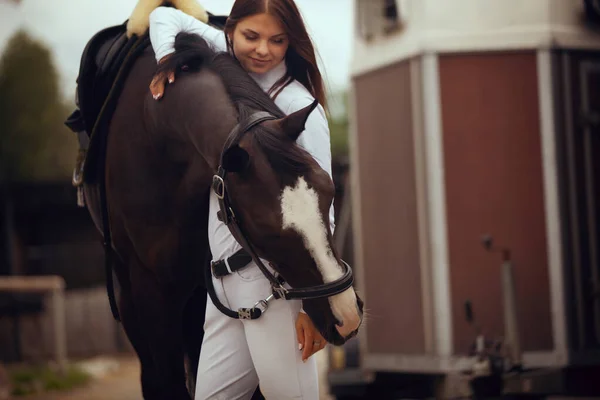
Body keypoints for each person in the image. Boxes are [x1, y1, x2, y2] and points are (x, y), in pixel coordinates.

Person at [149, 1, 336, 398]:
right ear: (230, 30)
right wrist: (167, 57)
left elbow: (321, 215)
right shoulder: (225, 57)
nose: (263, 50)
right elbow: (163, 15)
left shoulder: (297, 106)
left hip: (277, 286)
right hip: (223, 288)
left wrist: (311, 307)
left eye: (278, 40)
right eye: (252, 36)